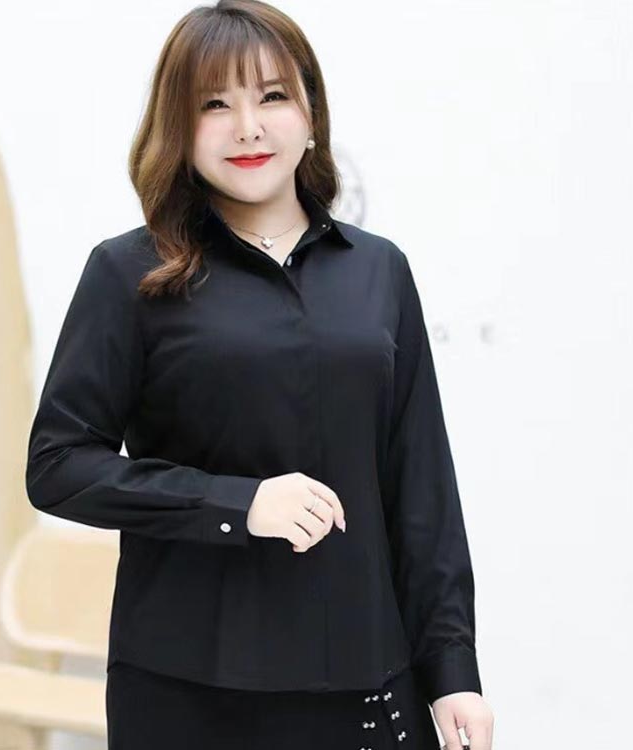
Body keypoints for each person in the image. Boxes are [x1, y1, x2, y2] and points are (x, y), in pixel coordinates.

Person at [25, 1, 495, 748]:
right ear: (179, 129)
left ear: (310, 114)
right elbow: (58, 466)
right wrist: (236, 504)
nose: (247, 127)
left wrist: (453, 669)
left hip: (365, 680)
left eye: (272, 96)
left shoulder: (379, 271)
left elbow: (421, 488)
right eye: (214, 104)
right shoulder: (129, 273)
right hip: (190, 690)